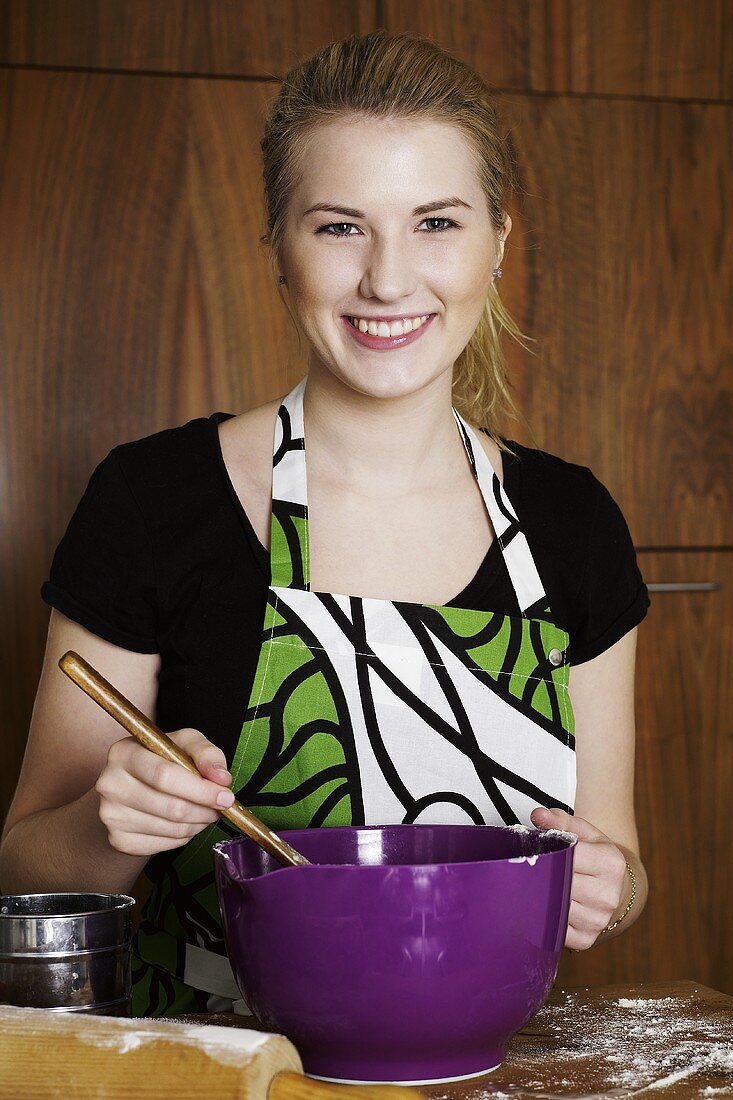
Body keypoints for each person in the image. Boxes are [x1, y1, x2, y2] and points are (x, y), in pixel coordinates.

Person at [0, 29, 650, 1016]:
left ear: (499, 242)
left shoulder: (574, 523)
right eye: (340, 226)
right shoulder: (152, 500)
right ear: (278, 248)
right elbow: (20, 865)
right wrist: (110, 817)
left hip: (477, 1065)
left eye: (436, 221)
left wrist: (609, 884)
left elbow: (622, 866)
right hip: (217, 1070)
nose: (389, 280)